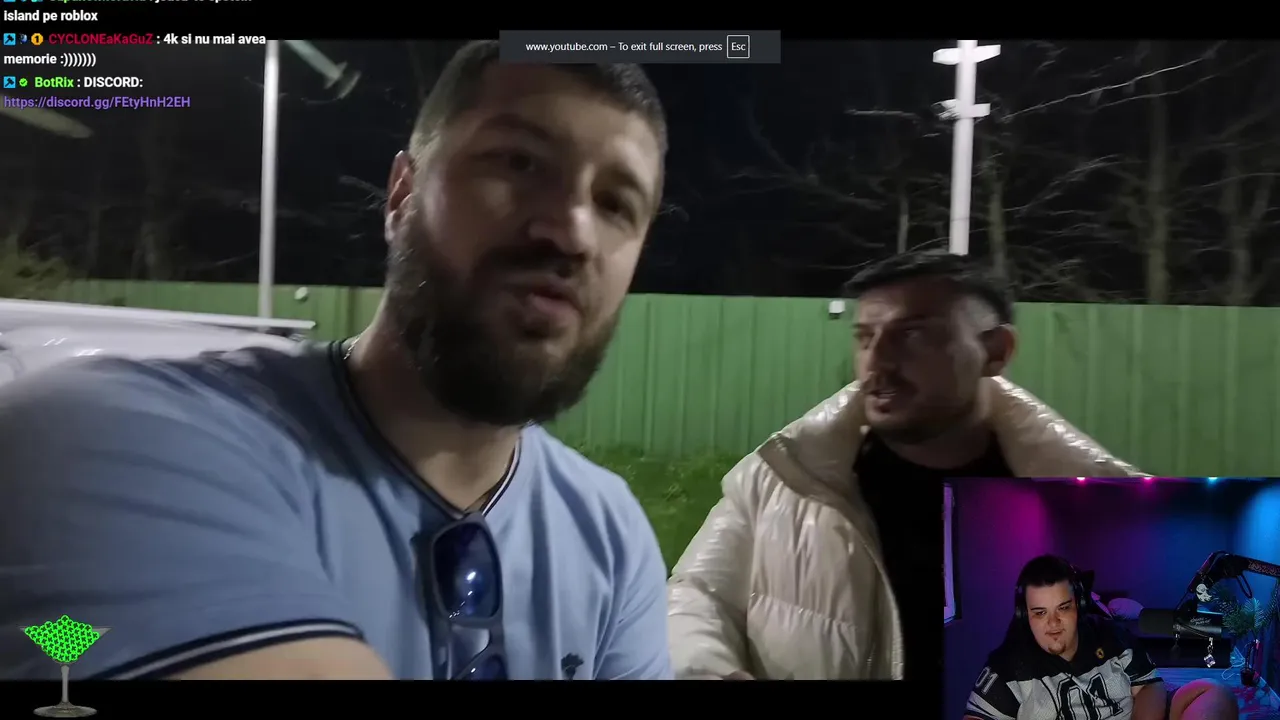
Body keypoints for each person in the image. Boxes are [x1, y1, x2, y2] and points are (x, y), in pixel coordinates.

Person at [0, 41, 672, 680]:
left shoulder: (611, 534)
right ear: (402, 196)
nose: (571, 232)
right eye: (519, 163)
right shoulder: (112, 439)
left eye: (616, 204)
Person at [666, 251, 1141, 680]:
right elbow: (693, 598)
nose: (877, 361)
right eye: (865, 337)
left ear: (995, 351)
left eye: (912, 335)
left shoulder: (1102, 499)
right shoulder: (782, 475)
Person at [965, 555, 1237, 720]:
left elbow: (1149, 686)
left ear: (1079, 606)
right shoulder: (1006, 667)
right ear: (1025, 616)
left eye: (1063, 608)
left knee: (1215, 692)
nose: (1053, 623)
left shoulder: (1110, 634)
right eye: (1040, 613)